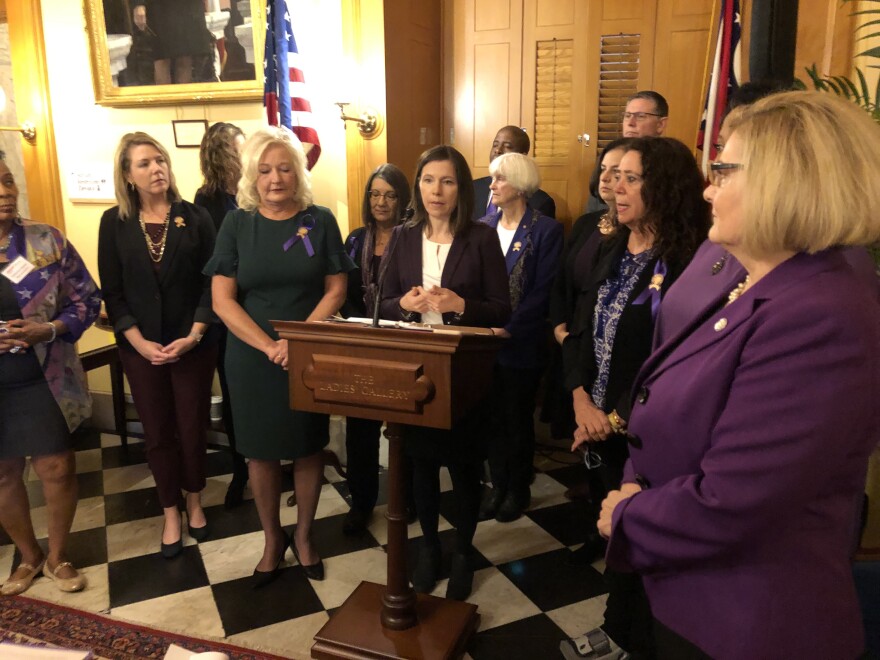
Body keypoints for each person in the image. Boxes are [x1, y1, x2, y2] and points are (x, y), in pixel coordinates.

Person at [596, 91, 880, 659]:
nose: (708, 188)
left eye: (723, 169)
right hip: (679, 576)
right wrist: (635, 474)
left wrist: (629, 511)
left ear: (787, 180)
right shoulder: (732, 254)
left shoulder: (824, 312)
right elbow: (663, 374)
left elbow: (735, 499)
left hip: (743, 616)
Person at [559, 138, 710, 660]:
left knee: (642, 537)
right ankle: (617, 629)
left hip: (646, 428)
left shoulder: (689, 259)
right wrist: (580, 400)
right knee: (618, 535)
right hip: (594, 418)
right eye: (613, 175)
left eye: (631, 177)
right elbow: (581, 329)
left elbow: (673, 353)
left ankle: (635, 638)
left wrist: (612, 417)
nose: (615, 187)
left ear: (663, 186)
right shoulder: (611, 246)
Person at [206, 126, 353, 587]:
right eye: (265, 170)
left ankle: (305, 536)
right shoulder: (237, 223)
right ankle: (273, 540)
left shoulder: (320, 218)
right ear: (252, 174)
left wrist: (299, 339)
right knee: (260, 454)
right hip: (251, 358)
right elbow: (222, 301)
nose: (275, 178)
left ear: (299, 171)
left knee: (308, 448)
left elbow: (337, 289)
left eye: (285, 168)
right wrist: (270, 345)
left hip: (307, 352)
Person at [380, 145, 510, 601]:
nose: (437, 190)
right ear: (418, 185)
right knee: (421, 466)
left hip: (465, 371)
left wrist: (460, 306)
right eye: (430, 180)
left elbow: (500, 308)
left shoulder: (481, 237)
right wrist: (404, 305)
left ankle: (462, 552)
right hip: (417, 370)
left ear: (462, 189)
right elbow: (381, 302)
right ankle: (430, 548)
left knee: (464, 466)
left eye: (448, 181)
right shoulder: (401, 236)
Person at [98, 132, 217, 560]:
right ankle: (170, 510)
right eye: (145, 163)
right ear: (128, 175)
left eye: (161, 160)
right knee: (157, 432)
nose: (157, 169)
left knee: (190, 426)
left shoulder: (196, 217)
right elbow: (112, 292)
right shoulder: (113, 223)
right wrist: (138, 341)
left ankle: (195, 500)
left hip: (193, 345)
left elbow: (213, 282)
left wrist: (195, 334)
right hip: (139, 347)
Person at [0, 160, 100, 596]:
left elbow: (86, 301)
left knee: (56, 467)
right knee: (3, 472)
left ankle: (58, 556)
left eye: (6, 180)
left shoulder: (47, 240)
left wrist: (50, 329)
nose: (5, 190)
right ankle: (28, 556)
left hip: (46, 375)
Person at [476, 152, 562, 523]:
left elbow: (543, 291)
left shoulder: (545, 230)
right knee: (491, 419)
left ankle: (518, 488)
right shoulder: (482, 226)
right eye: (492, 178)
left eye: (499, 179)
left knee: (516, 418)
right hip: (482, 344)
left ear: (520, 185)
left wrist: (509, 328)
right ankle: (498, 485)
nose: (492, 186)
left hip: (520, 345)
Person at [544, 138, 632, 479]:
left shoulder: (637, 231)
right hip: (572, 336)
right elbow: (562, 282)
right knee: (578, 419)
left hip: (606, 341)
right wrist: (559, 326)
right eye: (605, 170)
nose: (609, 179)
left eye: (621, 173)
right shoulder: (586, 224)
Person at [339, 163, 411, 535]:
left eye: (390, 194)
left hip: (402, 343)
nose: (381, 202)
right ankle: (362, 502)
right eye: (374, 193)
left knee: (406, 429)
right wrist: (362, 325)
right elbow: (343, 293)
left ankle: (407, 499)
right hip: (361, 343)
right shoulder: (354, 239)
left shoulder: (414, 237)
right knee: (360, 430)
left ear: (402, 200)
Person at [194, 121, 249, 510]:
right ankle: (240, 468)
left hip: (260, 306)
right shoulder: (206, 202)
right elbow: (209, 262)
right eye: (239, 149)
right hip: (226, 312)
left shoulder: (254, 192)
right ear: (222, 154)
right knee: (233, 394)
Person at [471, 125, 556, 220]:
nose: (498, 150)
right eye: (495, 145)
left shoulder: (541, 202)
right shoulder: (472, 189)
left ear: (522, 156)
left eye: (507, 146)